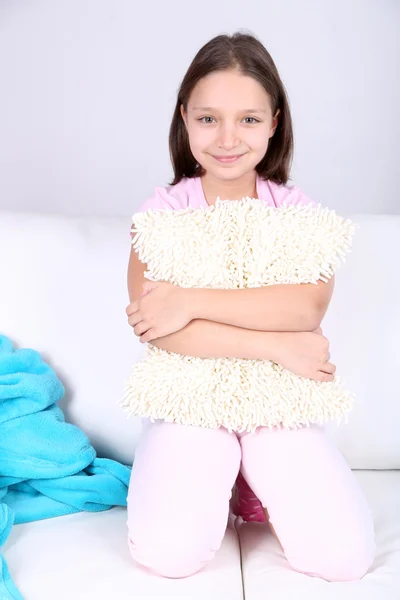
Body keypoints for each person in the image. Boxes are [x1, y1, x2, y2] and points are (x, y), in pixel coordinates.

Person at [125, 31, 376, 581]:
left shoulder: (299, 215)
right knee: (169, 554)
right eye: (209, 118)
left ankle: (251, 476)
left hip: (274, 406)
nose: (227, 139)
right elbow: (156, 327)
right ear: (184, 117)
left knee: (344, 559)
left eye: (249, 119)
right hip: (190, 405)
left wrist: (188, 301)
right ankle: (214, 473)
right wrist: (275, 346)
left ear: (276, 121)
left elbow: (303, 309)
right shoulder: (162, 215)